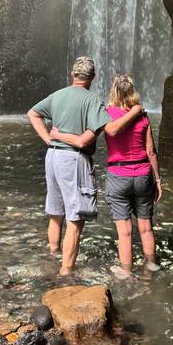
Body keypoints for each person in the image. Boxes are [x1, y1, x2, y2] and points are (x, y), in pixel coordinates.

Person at [27, 57, 142, 276]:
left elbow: (33, 113)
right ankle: (66, 271)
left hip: (52, 157)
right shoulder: (92, 100)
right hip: (73, 160)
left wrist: (49, 139)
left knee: (55, 213)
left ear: (73, 75)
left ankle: (53, 257)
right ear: (92, 78)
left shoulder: (57, 95)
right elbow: (83, 141)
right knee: (75, 219)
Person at [50, 73, 162, 278]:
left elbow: (87, 137)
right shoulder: (143, 115)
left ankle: (126, 272)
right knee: (146, 227)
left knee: (124, 231)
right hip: (143, 174)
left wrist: (58, 136)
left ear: (113, 92)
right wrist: (157, 180)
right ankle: (151, 266)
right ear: (132, 91)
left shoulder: (106, 113)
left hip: (118, 175)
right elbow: (151, 151)